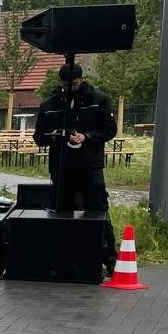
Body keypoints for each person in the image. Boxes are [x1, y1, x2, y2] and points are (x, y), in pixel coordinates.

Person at [34, 62, 117, 277]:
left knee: (98, 209)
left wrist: (86, 137)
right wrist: (55, 135)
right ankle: (62, 258)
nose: (71, 87)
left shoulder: (98, 100)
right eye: (66, 84)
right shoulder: (50, 104)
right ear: (60, 82)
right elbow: (38, 137)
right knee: (61, 211)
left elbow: (109, 130)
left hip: (89, 166)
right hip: (61, 167)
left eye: (76, 83)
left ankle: (108, 257)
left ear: (82, 80)